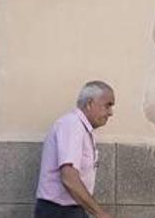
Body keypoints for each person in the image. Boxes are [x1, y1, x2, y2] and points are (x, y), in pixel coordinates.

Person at [34, 80, 115, 218]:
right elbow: (69, 177)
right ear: (89, 104)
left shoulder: (83, 129)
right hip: (59, 211)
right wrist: (100, 213)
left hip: (72, 209)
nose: (111, 113)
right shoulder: (72, 125)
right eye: (107, 106)